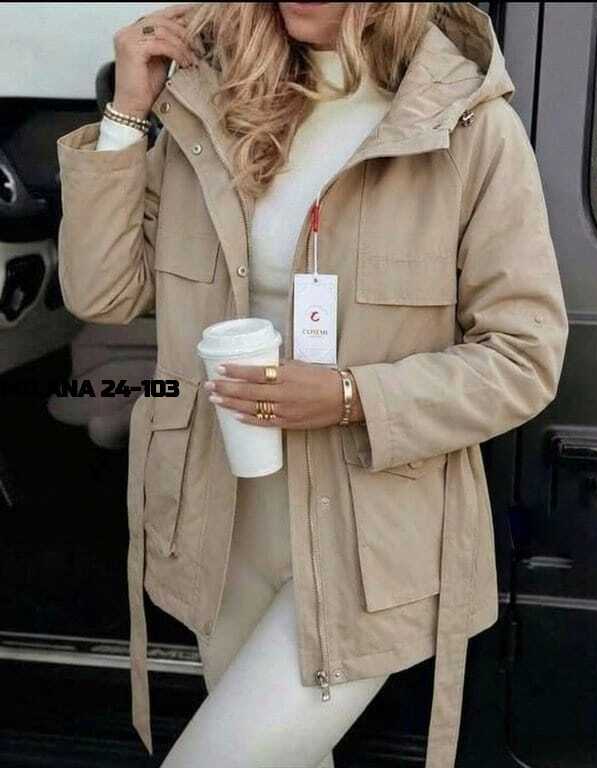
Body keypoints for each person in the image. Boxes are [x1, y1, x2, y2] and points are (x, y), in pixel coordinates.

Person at [55, 3, 569, 767]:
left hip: (369, 543)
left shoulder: (466, 128)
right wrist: (129, 112)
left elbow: (523, 358)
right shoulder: (217, 112)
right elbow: (102, 292)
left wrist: (349, 396)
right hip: (221, 523)